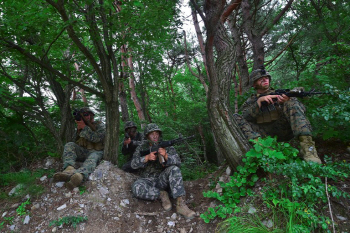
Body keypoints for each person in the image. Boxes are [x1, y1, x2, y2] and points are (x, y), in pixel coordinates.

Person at [233, 66, 322, 164]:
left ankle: (308, 149)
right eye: (260, 79)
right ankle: (264, 149)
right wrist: (258, 103)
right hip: (264, 135)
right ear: (254, 84)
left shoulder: (281, 94)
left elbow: (301, 111)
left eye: (266, 77)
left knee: (292, 101)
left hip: (284, 129)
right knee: (235, 117)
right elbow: (244, 118)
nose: (265, 79)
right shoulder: (250, 101)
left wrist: (285, 102)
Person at [131, 123, 196, 219]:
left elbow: (178, 162)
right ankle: (161, 195)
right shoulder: (141, 148)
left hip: (162, 179)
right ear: (147, 136)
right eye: (152, 133)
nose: (155, 135)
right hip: (147, 180)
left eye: (157, 133)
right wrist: (146, 158)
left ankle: (181, 204)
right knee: (136, 187)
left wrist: (166, 156)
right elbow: (133, 164)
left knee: (174, 169)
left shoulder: (167, 146)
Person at [53, 107, 105, 189]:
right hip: (84, 151)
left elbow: (97, 138)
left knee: (93, 158)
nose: (86, 117)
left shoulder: (99, 125)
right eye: (84, 115)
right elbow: (74, 141)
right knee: (69, 144)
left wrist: (85, 128)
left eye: (87, 115)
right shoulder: (82, 126)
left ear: (91, 115)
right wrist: (78, 131)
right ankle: (69, 169)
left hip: (96, 151)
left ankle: (79, 176)